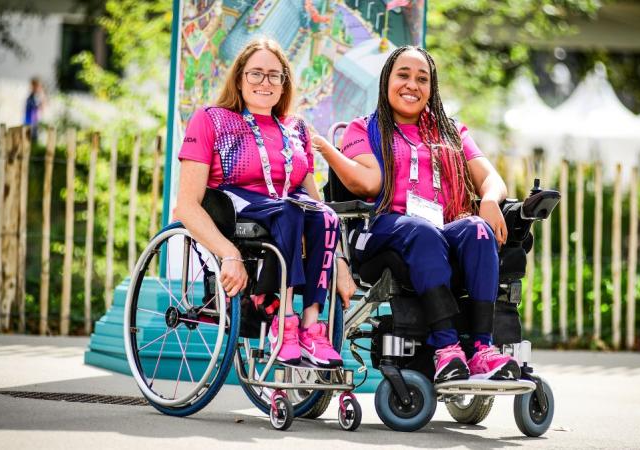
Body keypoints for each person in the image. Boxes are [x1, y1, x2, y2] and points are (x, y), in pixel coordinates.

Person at [311, 46, 520, 383]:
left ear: (432, 88)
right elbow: (366, 184)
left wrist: (490, 200)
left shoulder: (450, 132)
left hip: (437, 232)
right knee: (421, 230)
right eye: (403, 75)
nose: (412, 85)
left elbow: (491, 179)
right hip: (379, 229)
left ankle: (483, 350)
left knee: (477, 229)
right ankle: (446, 349)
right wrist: (325, 149)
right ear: (387, 81)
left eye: (422, 79)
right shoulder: (363, 129)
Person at [173, 37, 354, 368]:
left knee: (325, 216)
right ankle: (283, 322)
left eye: (274, 75)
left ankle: (311, 326)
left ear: (284, 83)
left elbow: (314, 201)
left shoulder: (297, 128)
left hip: (288, 208)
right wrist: (229, 254)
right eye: (256, 73)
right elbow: (185, 206)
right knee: (290, 211)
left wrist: (339, 263)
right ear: (239, 78)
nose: (265, 82)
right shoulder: (211, 119)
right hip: (238, 206)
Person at [24, 77, 44, 143]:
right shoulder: (31, 98)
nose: (39, 88)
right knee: (30, 140)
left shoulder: (37, 97)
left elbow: (41, 108)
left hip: (35, 122)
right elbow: (36, 107)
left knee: (34, 140)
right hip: (30, 123)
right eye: (37, 86)